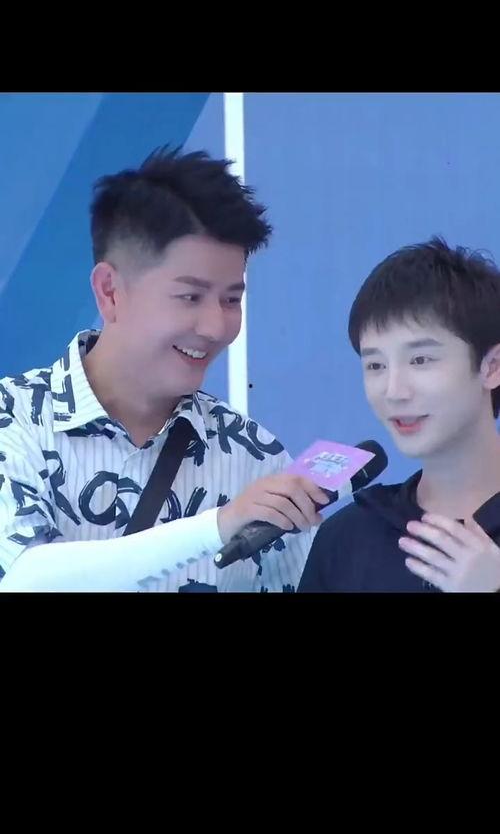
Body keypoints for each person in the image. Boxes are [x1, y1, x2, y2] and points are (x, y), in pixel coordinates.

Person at [0, 145, 327, 592]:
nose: (215, 327)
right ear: (110, 291)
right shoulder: (13, 419)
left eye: (231, 299)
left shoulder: (256, 459)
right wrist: (217, 526)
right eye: (190, 296)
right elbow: (27, 581)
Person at [299, 237, 500, 592]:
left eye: (420, 360)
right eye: (375, 365)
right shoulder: (347, 538)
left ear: (492, 366)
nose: (394, 391)